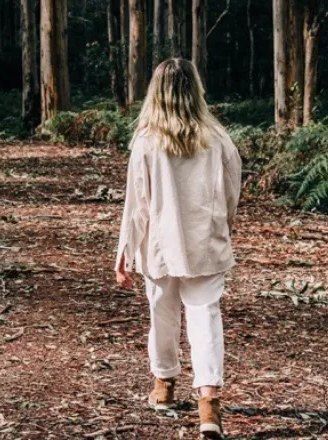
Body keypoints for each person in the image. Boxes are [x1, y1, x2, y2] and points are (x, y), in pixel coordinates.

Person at [114, 58, 241, 440]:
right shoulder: (218, 139)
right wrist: (222, 227)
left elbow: (136, 204)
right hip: (205, 242)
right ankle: (209, 405)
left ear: (156, 93)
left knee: (162, 314)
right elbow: (232, 191)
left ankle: (164, 386)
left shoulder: (147, 141)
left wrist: (125, 252)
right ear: (195, 90)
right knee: (206, 317)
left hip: (160, 244)